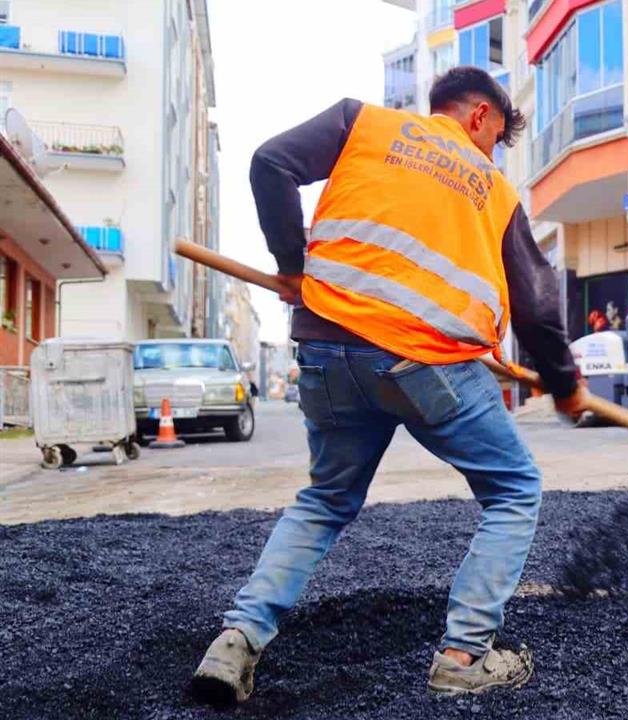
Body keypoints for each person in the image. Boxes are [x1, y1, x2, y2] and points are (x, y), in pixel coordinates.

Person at [192, 66, 587, 703]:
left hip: (327, 347)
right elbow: (538, 304)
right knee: (514, 489)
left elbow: (270, 162)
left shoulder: (363, 123)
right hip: (426, 362)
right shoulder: (492, 188)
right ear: (479, 116)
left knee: (325, 499)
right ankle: (463, 656)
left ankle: (236, 640)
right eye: (495, 139)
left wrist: (292, 266)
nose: (491, 154)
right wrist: (565, 383)